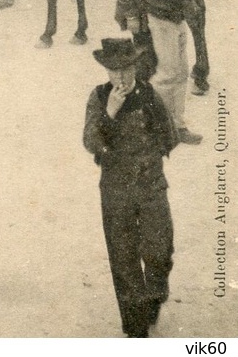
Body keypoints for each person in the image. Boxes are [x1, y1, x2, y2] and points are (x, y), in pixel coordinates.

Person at [83, 37, 178, 338]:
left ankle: (155, 292)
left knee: (159, 250)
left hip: (150, 184)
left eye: (126, 69)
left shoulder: (150, 95)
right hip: (115, 188)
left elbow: (170, 134)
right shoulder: (99, 98)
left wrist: (150, 158)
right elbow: (90, 141)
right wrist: (109, 112)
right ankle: (136, 329)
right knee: (123, 257)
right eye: (114, 70)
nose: (120, 77)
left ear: (135, 66)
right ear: (106, 71)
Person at [142, 0, 206, 144]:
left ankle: (176, 125)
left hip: (175, 15)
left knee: (180, 72)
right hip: (162, 16)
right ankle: (151, 126)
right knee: (168, 73)